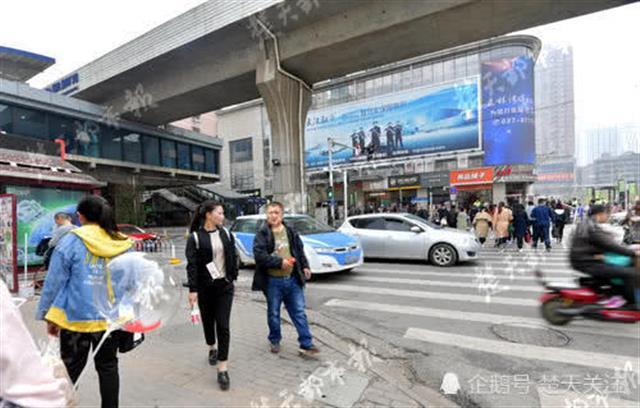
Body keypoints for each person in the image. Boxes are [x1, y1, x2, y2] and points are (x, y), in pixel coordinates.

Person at [36, 195, 134, 408]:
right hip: (110, 320)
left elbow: (53, 282)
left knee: (70, 372)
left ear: (80, 216)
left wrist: (47, 315)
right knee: (108, 367)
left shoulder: (71, 241)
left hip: (74, 319)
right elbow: (132, 283)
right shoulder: (123, 243)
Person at [252, 202, 320, 357]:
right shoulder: (262, 233)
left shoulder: (290, 231)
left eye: (276, 212)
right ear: (267, 215)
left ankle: (306, 344)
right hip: (272, 282)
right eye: (270, 213)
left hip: (293, 280)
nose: (273, 216)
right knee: (274, 313)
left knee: (299, 312)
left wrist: (305, 266)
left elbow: (299, 250)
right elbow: (259, 256)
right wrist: (279, 262)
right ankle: (275, 339)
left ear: (282, 215)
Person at [185, 200, 238, 391]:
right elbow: (192, 265)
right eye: (220, 213)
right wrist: (193, 290)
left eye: (223, 213)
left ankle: (222, 368)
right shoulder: (196, 238)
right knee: (209, 323)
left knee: (223, 325)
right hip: (205, 288)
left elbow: (233, 256)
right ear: (208, 214)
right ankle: (211, 347)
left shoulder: (226, 233)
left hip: (224, 287)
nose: (223, 217)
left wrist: (232, 278)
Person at [1, 279, 70, 407]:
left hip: (72, 317)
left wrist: (46, 313)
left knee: (72, 366)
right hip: (105, 321)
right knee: (107, 365)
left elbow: (55, 280)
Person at [570, 204, 640, 309]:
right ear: (600, 214)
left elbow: (606, 242)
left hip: (586, 259)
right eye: (606, 214)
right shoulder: (592, 227)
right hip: (587, 262)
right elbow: (609, 245)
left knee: (620, 267)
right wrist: (632, 253)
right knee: (630, 273)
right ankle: (631, 304)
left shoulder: (587, 223)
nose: (607, 216)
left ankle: (614, 294)